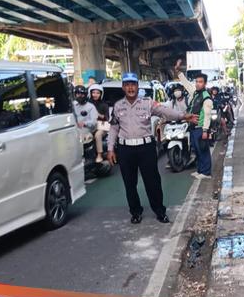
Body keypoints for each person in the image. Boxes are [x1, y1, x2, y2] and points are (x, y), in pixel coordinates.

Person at [107, 73, 198, 224]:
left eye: (133, 84)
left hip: (146, 148)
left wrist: (183, 116)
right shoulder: (118, 106)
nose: (130, 87)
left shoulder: (148, 103)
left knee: (152, 182)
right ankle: (135, 212)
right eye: (127, 84)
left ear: (137, 86)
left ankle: (160, 211)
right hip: (126, 149)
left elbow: (165, 111)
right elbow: (113, 129)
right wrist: (110, 149)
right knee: (130, 184)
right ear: (123, 87)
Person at [179, 72, 213, 179]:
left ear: (205, 83)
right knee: (197, 151)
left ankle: (206, 173)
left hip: (200, 127)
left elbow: (207, 115)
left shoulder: (206, 97)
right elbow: (187, 85)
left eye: (200, 82)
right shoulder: (196, 93)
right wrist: (179, 73)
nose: (198, 84)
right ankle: (200, 170)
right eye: (196, 82)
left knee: (203, 150)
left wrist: (205, 130)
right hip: (193, 127)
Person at [89, 84, 110, 163]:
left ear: (101, 94)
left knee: (98, 135)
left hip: (101, 127)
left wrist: (97, 114)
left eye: (97, 93)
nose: (95, 94)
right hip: (90, 126)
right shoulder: (87, 104)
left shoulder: (104, 105)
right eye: (93, 92)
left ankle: (99, 154)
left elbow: (106, 118)